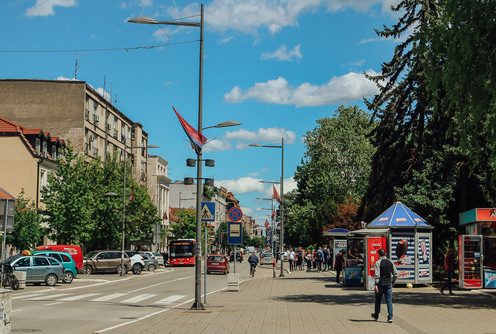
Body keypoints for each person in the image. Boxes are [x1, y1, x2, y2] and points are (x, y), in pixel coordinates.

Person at [371, 248, 398, 323]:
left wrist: (376, 284)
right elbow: (396, 274)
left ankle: (376, 316)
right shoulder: (390, 262)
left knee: (378, 300)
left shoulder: (378, 263)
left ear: (378, 255)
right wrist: (393, 281)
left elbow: (377, 275)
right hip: (389, 284)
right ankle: (390, 317)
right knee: (389, 301)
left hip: (380, 284)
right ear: (385, 254)